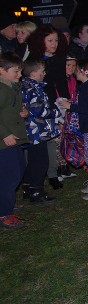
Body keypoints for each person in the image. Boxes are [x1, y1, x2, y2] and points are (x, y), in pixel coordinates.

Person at [59, 60, 88, 200]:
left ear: (83, 71)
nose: (74, 72)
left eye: (77, 69)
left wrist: (71, 107)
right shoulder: (86, 86)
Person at [20, 58, 63, 196]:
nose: (44, 74)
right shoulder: (32, 89)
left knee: (34, 160)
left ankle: (28, 186)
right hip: (36, 131)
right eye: (42, 72)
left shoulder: (30, 87)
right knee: (40, 161)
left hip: (35, 130)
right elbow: (39, 110)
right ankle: (36, 189)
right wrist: (56, 112)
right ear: (33, 73)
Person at [0, 53, 29, 229]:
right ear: (1, 70)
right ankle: (4, 213)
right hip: (5, 140)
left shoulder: (11, 86)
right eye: (16, 71)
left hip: (14, 137)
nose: (19, 75)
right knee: (9, 175)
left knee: (18, 170)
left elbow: (9, 109)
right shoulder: (1, 89)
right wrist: (4, 134)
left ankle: (6, 203)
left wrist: (22, 112)